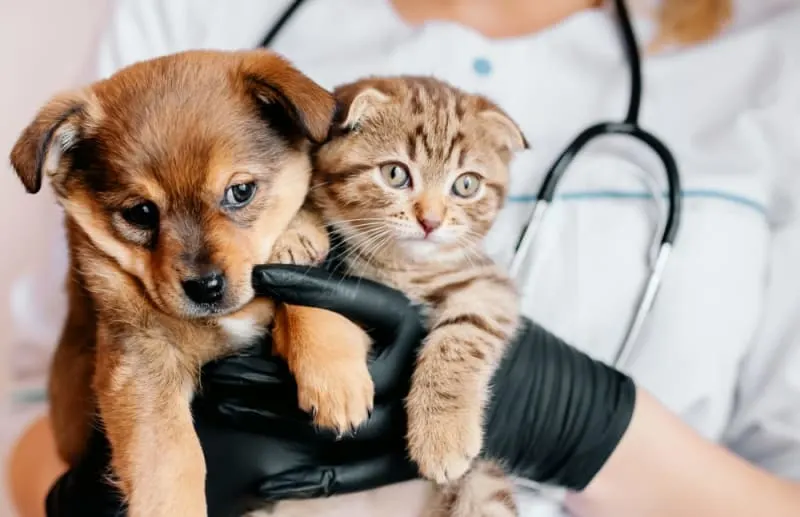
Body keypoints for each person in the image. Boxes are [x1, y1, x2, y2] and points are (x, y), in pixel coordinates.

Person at [8, 1, 800, 516]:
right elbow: (31, 389)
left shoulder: (766, 53)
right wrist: (87, 494)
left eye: (241, 194)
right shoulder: (192, 15)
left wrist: (583, 424)